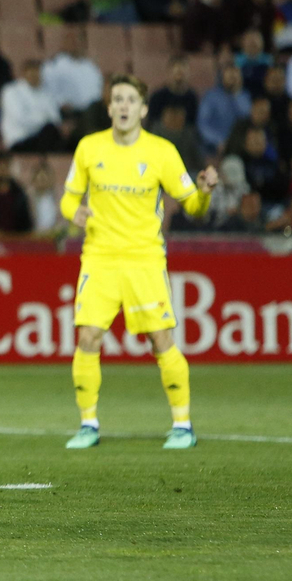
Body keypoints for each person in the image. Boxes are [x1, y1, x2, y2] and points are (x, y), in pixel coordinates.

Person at [60, 73, 217, 453]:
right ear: (109, 107)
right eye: (117, 99)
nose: (124, 106)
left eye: (131, 99)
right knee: (87, 338)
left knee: (161, 339)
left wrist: (205, 192)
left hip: (144, 259)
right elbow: (68, 199)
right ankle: (88, 424)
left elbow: (193, 207)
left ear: (143, 109)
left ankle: (183, 425)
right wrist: (73, 215)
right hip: (99, 259)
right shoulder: (88, 148)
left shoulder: (161, 151)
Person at [1, 59, 65, 152]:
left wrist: (43, 121)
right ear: (24, 73)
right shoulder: (11, 91)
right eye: (31, 72)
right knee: (50, 131)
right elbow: (20, 118)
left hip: (44, 137)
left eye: (37, 72)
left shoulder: (46, 94)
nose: (34, 76)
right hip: (20, 140)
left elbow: (56, 120)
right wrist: (44, 119)